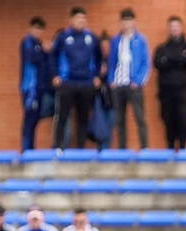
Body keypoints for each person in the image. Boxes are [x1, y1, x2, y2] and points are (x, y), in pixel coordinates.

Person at [53, 8, 103, 150]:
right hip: (67, 82)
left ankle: (81, 148)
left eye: (83, 18)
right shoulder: (63, 37)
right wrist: (55, 75)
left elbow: (99, 58)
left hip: (86, 84)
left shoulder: (92, 38)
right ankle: (58, 147)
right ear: (71, 20)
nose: (81, 21)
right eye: (78, 18)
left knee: (83, 118)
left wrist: (97, 76)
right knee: (62, 117)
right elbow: (53, 56)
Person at [106, 10, 150, 150]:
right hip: (118, 84)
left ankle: (144, 148)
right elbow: (112, 62)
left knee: (140, 117)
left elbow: (145, 63)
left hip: (134, 85)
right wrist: (111, 80)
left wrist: (137, 81)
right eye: (124, 20)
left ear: (134, 22)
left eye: (129, 20)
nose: (126, 23)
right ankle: (122, 148)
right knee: (119, 119)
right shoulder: (116, 40)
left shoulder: (140, 40)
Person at [154, 16, 186, 150]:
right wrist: (178, 60)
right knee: (168, 121)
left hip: (183, 92)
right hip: (166, 92)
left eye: (176, 27)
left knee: (183, 120)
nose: (174, 30)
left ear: (181, 28)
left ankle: (183, 148)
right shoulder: (161, 48)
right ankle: (170, 149)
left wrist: (169, 60)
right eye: (171, 27)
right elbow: (158, 63)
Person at [20, 17, 53, 152]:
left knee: (35, 119)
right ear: (31, 28)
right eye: (36, 28)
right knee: (30, 120)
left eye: (41, 29)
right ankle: (27, 150)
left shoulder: (40, 45)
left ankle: (30, 149)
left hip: (41, 88)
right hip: (30, 89)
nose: (38, 32)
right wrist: (44, 50)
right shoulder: (27, 42)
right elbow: (32, 58)